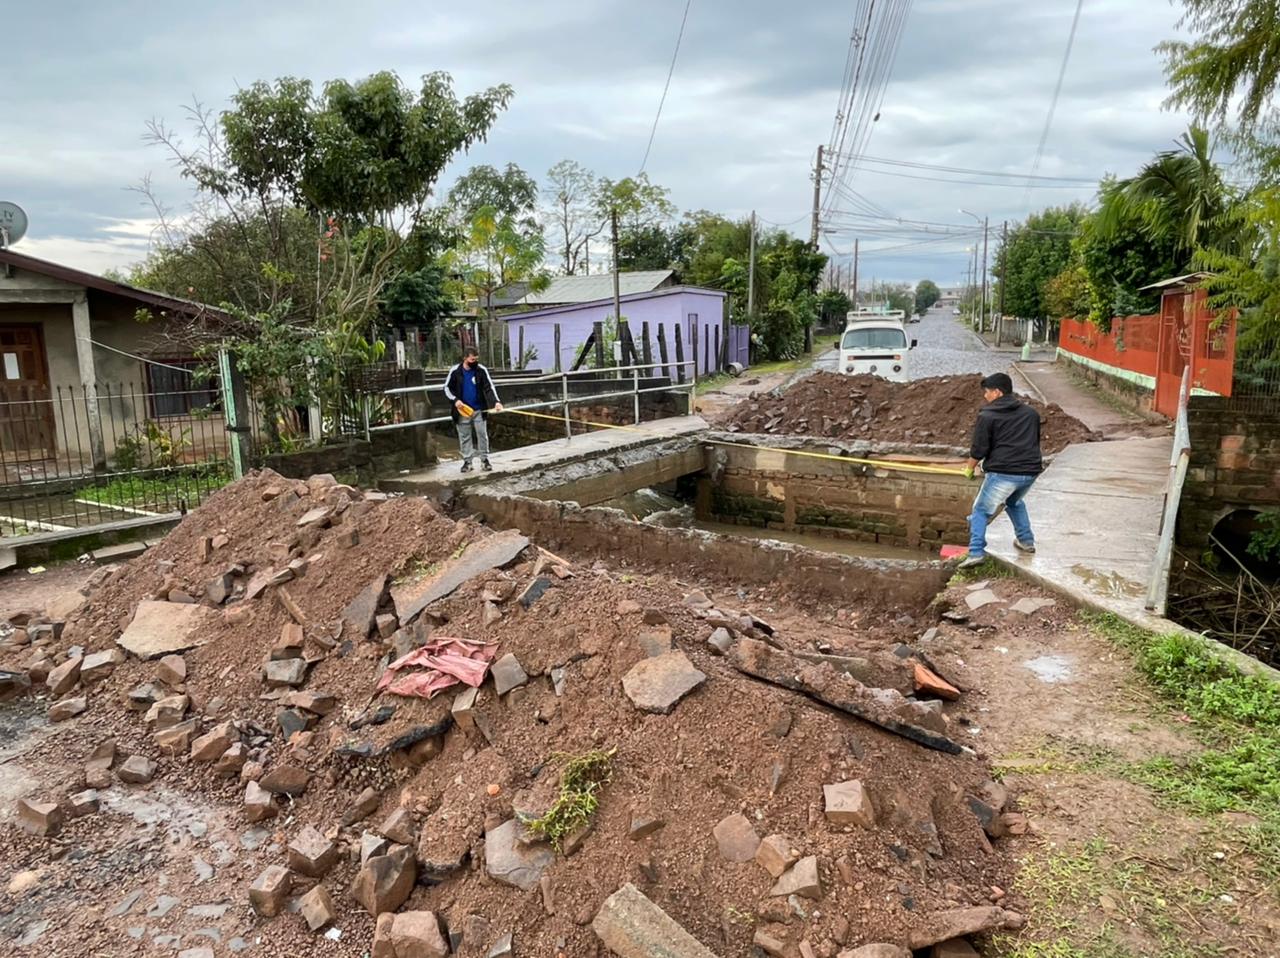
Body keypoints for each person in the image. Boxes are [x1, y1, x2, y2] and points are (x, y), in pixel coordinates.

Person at [960, 372, 1042, 568]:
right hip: (1030, 471)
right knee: (1014, 501)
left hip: (1004, 472)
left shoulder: (988, 415)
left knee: (980, 510)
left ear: (997, 392)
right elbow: (1034, 442)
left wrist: (969, 468)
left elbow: (979, 448)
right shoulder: (1031, 414)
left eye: (987, 392)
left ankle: (975, 552)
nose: (985, 396)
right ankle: (1026, 541)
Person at [443, 347, 504, 472]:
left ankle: (484, 460)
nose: (474, 362)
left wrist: (496, 402)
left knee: (482, 435)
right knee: (464, 436)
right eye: (472, 359)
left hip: (479, 410)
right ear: (465, 358)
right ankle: (467, 461)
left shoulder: (481, 370)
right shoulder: (455, 371)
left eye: (476, 359)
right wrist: (455, 400)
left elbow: (489, 387)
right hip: (463, 410)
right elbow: (447, 388)